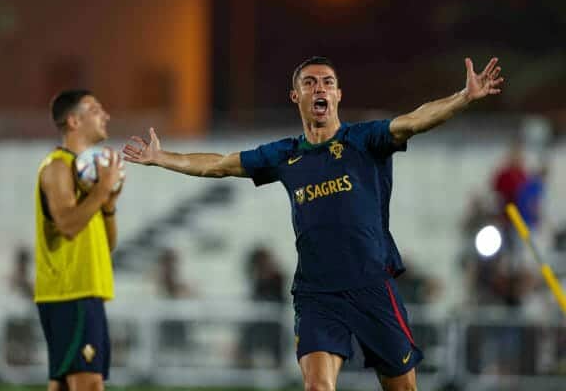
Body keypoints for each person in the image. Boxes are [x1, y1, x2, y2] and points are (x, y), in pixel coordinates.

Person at [123, 56, 503, 391]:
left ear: (338, 94)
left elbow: (414, 121)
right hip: (317, 293)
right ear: (296, 96)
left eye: (327, 82)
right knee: (317, 385)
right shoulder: (285, 154)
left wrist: (463, 97)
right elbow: (221, 164)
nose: (319, 88)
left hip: (371, 285)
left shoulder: (363, 139)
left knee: (402, 387)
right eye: (310, 82)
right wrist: (163, 157)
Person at [35, 89, 124, 391]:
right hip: (70, 292)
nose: (106, 115)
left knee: (67, 385)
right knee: (89, 384)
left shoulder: (88, 177)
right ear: (73, 121)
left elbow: (108, 245)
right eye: (95, 109)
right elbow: (68, 226)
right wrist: (102, 191)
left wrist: (108, 205)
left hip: (85, 291)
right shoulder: (58, 167)